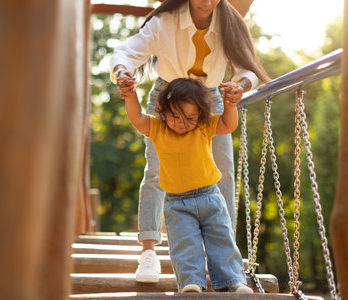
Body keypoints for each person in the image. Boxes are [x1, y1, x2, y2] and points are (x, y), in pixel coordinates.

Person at [110, 0, 270, 282]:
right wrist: (123, 72)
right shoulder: (165, 23)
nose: (207, 2)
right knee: (157, 171)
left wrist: (239, 87)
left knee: (222, 172)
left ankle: (222, 258)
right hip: (168, 98)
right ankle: (148, 252)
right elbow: (126, 52)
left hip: (209, 99)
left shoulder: (229, 23)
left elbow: (248, 70)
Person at [120, 77, 253, 293]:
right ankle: (191, 282)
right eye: (176, 116)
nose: (182, 123)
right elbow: (136, 117)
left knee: (221, 238)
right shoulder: (157, 128)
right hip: (177, 203)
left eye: (190, 117)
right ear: (163, 111)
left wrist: (230, 104)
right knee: (184, 244)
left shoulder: (203, 126)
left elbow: (229, 124)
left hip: (210, 196)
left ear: (200, 113)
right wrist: (130, 94)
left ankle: (233, 281)